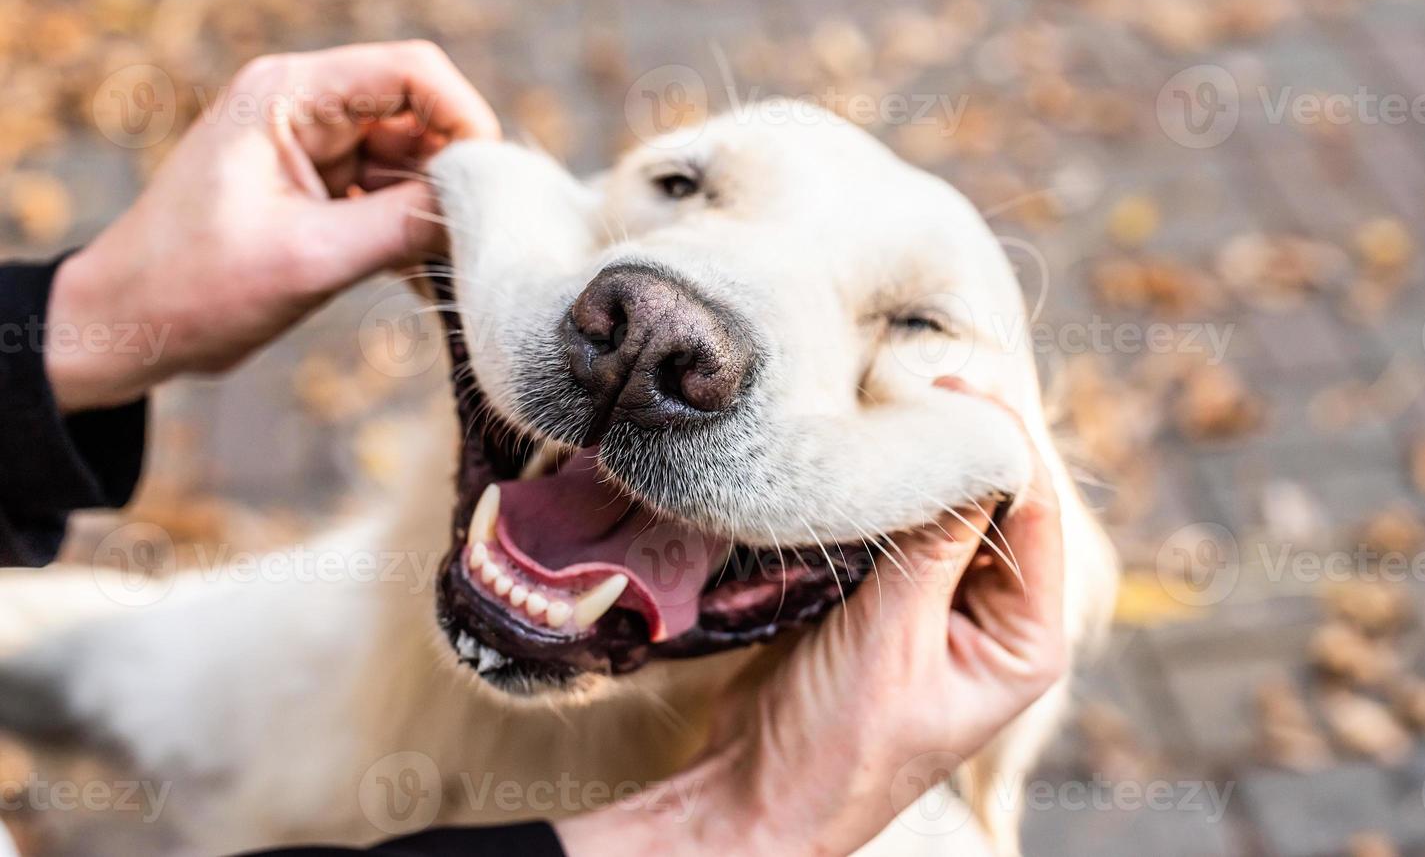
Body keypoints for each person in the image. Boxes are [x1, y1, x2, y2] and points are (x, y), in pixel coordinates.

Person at [0, 43, 1066, 856]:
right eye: (683, 186)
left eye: (919, 322)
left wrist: (79, 319)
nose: (659, 329)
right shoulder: (305, 622)